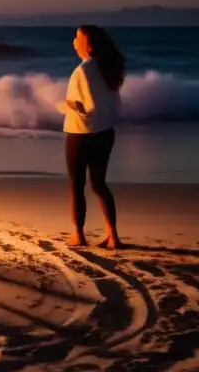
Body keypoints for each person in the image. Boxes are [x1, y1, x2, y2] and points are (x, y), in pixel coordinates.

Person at [58, 25, 124, 249]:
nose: (73, 42)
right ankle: (113, 235)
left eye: (77, 38)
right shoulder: (108, 68)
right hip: (106, 132)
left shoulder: (84, 70)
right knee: (99, 183)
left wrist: (69, 106)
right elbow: (114, 105)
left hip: (81, 133)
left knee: (76, 184)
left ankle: (78, 234)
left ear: (88, 44)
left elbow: (89, 107)